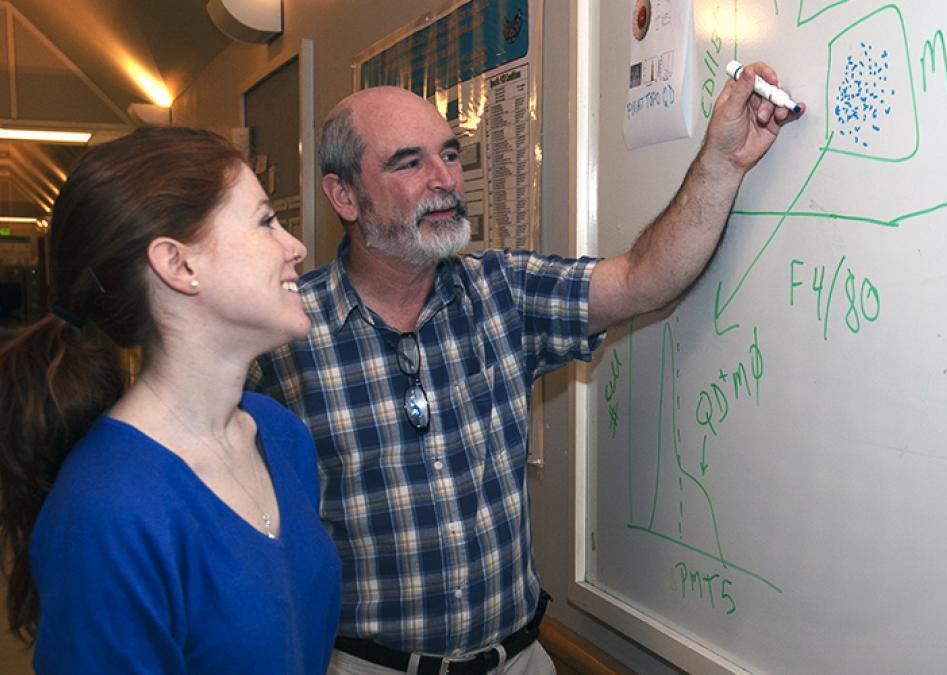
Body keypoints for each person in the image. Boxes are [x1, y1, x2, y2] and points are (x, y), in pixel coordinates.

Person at [249, 61, 803, 674]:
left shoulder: (501, 291)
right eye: (409, 162)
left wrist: (722, 162)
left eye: (451, 154)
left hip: (519, 661)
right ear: (344, 195)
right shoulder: (280, 334)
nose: (446, 181)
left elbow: (645, 278)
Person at [0, 126, 341, 673]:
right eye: (265, 221)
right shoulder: (108, 511)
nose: (295, 247)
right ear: (179, 265)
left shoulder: (280, 434)